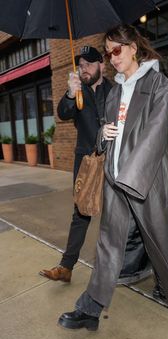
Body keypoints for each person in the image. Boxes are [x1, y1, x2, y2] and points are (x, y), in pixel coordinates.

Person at [58, 24, 168, 332]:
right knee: (108, 244)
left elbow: (156, 133)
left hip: (145, 180)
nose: (112, 58)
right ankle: (90, 308)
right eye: (107, 52)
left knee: (159, 241)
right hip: (115, 178)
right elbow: (105, 132)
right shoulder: (114, 92)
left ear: (133, 48)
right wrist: (103, 134)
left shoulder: (158, 84)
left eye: (117, 50)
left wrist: (132, 175)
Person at [39, 46, 112, 282]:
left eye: (89, 64)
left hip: (112, 160)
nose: (84, 69)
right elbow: (63, 113)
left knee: (115, 214)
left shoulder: (115, 89)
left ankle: (117, 266)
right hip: (86, 162)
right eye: (81, 65)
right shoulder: (77, 90)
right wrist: (70, 93)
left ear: (102, 65)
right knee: (80, 212)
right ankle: (66, 267)